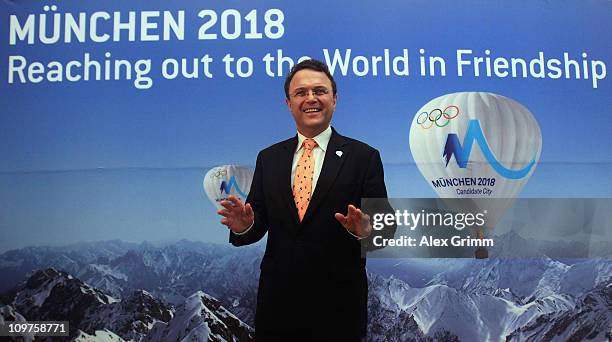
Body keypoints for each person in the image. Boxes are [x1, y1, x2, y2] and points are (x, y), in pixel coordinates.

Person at [218, 59, 391, 341]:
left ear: (334, 99)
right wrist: (244, 225)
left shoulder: (364, 157)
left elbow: (385, 228)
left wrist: (365, 231)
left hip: (339, 310)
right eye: (301, 93)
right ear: (288, 103)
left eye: (320, 91)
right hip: (277, 309)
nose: (311, 98)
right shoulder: (269, 158)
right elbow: (257, 225)